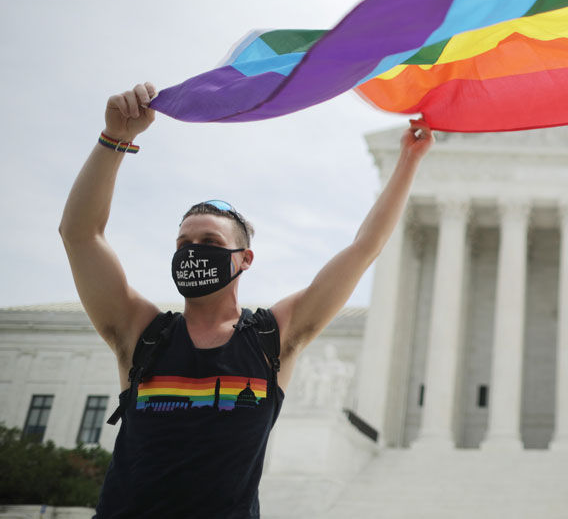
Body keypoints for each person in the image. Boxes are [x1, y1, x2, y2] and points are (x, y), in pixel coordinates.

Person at [59, 82, 432, 518]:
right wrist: (115, 139)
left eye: (209, 240)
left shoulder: (272, 339)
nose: (193, 250)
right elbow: (81, 236)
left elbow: (364, 248)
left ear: (243, 259)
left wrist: (407, 161)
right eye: (184, 242)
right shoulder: (141, 333)